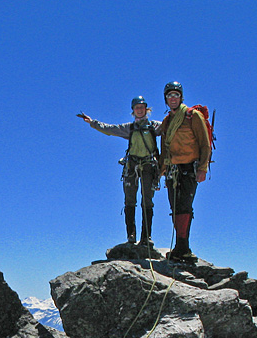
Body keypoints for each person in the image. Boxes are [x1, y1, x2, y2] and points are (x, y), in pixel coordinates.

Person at [78, 96, 161, 245]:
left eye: (142, 107)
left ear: (146, 109)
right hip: (132, 167)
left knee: (147, 201)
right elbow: (110, 129)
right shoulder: (129, 128)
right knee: (130, 201)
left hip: (149, 167)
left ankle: (146, 237)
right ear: (133, 111)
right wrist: (92, 123)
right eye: (137, 108)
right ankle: (131, 235)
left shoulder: (154, 126)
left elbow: (171, 126)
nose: (139, 110)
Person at [158, 81, 211, 263]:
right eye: (169, 95)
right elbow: (164, 148)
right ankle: (181, 246)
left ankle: (184, 247)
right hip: (172, 169)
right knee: (175, 207)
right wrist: (160, 171)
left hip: (189, 168)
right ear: (166, 99)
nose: (173, 98)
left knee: (184, 206)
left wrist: (203, 168)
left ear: (181, 97)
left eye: (176, 95)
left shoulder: (192, 116)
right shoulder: (167, 121)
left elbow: (205, 144)